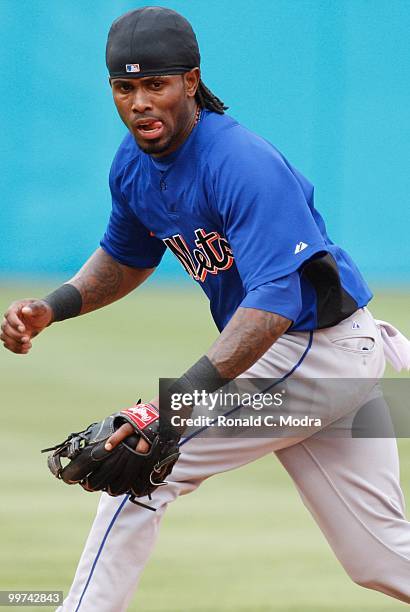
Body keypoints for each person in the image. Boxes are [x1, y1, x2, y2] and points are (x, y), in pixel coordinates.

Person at [2, 6, 409, 611]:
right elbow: (127, 254)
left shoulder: (239, 161)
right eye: (125, 87)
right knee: (381, 557)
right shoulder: (135, 163)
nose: (140, 102)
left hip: (317, 355)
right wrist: (54, 306)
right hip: (323, 359)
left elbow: (275, 302)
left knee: (136, 461)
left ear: (190, 81)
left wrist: (172, 408)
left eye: (155, 84)